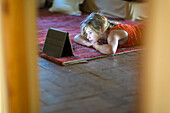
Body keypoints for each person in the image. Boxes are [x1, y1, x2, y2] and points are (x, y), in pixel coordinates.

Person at [74, 12, 144, 54]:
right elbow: (77, 37)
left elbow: (111, 50)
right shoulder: (101, 33)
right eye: (87, 33)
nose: (88, 36)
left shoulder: (113, 34)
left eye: (90, 33)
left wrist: (96, 46)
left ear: (102, 30)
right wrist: (89, 43)